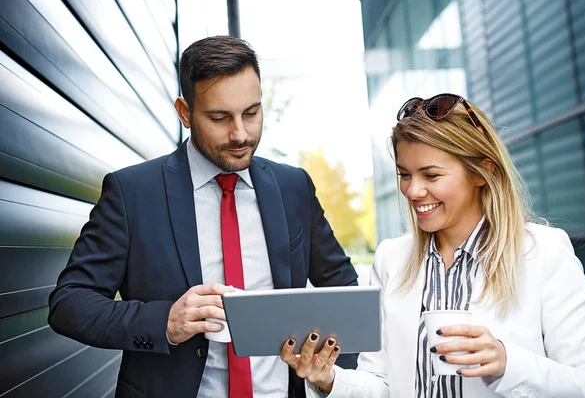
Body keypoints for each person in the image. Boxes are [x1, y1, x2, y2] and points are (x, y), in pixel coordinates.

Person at [48, 35, 358, 398]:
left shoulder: (294, 187)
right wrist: (165, 321)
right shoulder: (132, 192)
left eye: (252, 113)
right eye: (219, 117)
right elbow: (69, 303)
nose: (240, 133)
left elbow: (345, 291)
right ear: (184, 112)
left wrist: (334, 379)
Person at [281, 93, 585, 397]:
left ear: (482, 172)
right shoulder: (392, 259)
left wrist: (506, 363)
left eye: (431, 176)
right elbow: (383, 384)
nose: (413, 191)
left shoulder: (543, 253)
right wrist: (328, 379)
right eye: (404, 174)